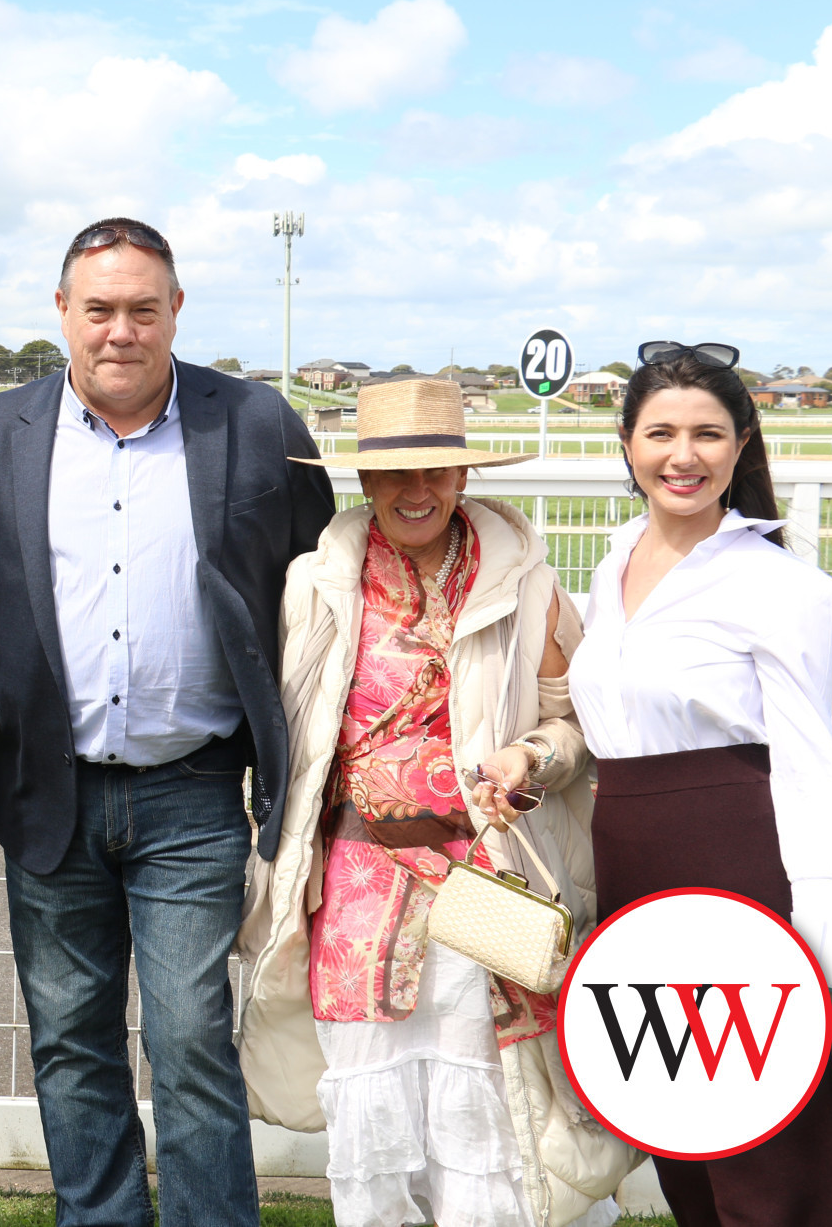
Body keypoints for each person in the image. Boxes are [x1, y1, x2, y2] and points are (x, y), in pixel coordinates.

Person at [0, 218, 336, 1225]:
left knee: (190, 1034)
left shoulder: (257, 423)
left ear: (175, 312)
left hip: (191, 787)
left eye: (141, 309)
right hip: (44, 790)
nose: (119, 331)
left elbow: (329, 585)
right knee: (69, 1037)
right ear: (61, 312)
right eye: (97, 308)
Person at [237, 377, 638, 1227]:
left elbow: (574, 726)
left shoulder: (527, 585)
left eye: (436, 472)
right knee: (373, 1109)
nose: (416, 491)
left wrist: (529, 756)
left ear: (463, 479)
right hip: (353, 886)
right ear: (365, 482)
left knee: (484, 1102)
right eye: (395, 474)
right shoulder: (316, 584)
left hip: (479, 877)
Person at [569, 342, 832, 1224]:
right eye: (662, 432)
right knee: (679, 1120)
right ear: (627, 442)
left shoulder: (782, 586)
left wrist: (825, 967)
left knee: (771, 1143)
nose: (684, 454)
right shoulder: (610, 568)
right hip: (632, 868)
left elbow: (808, 767)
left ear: (744, 444)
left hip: (738, 867)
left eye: (709, 434)